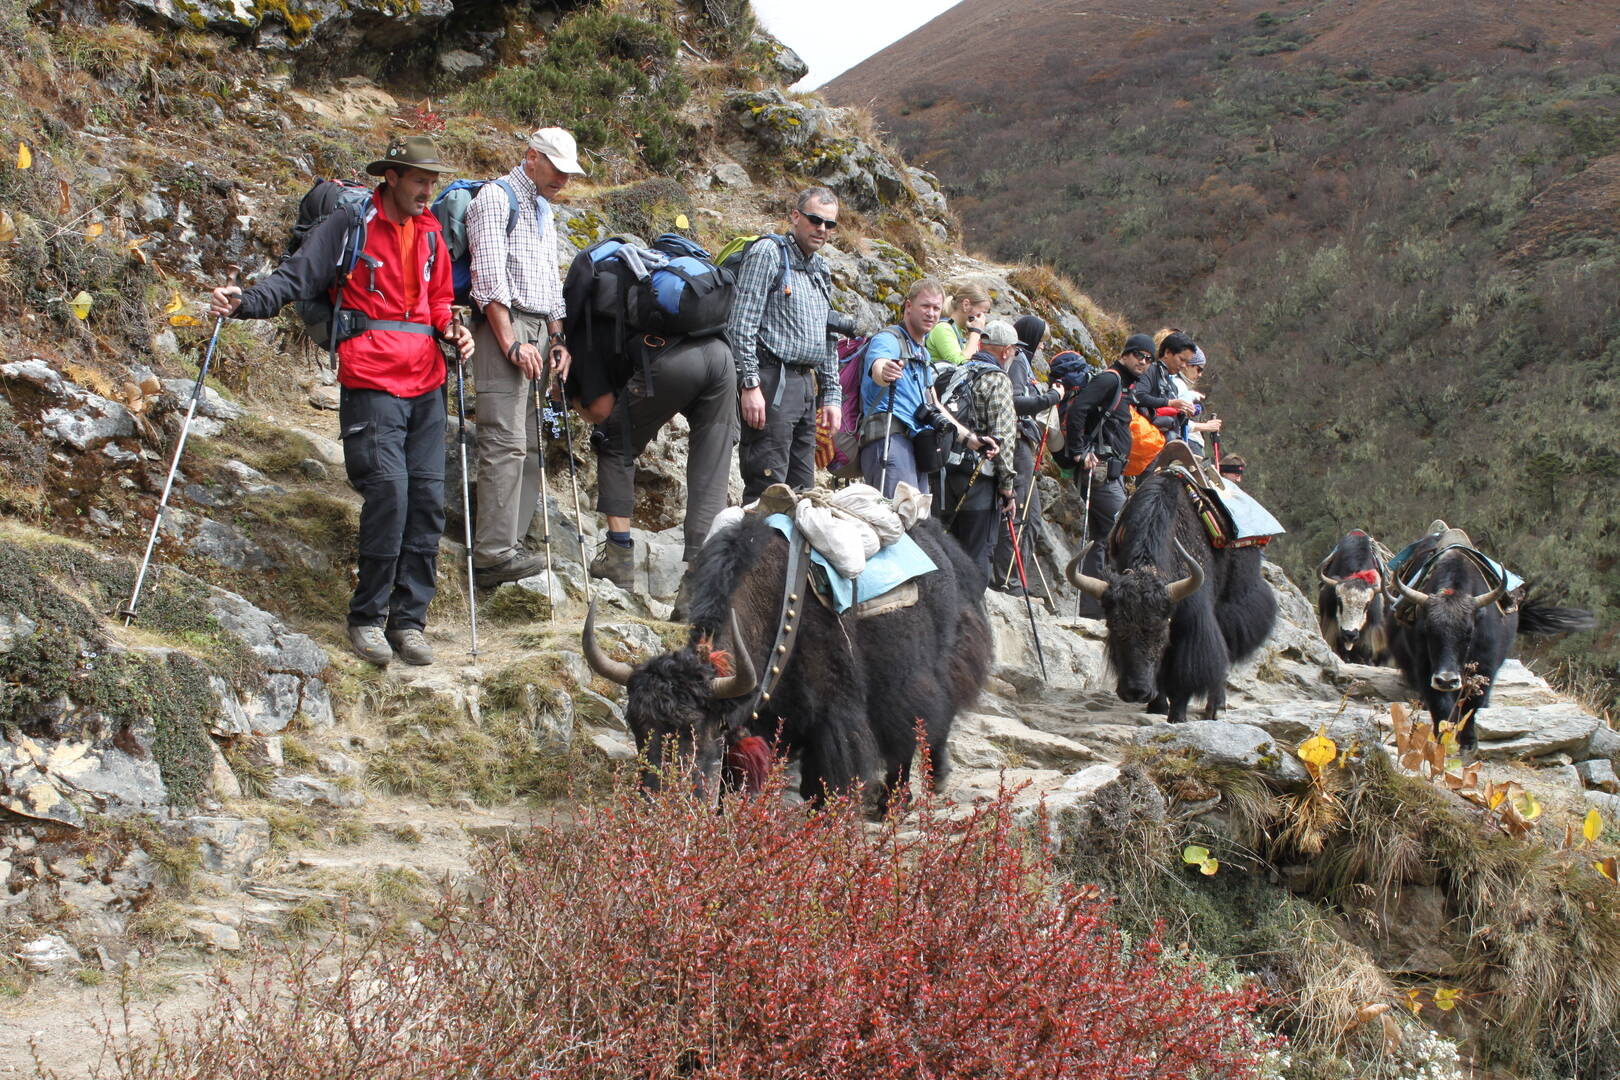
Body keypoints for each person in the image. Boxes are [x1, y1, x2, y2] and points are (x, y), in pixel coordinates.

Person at [209, 136, 474, 666]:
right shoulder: (349, 226)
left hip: (427, 382)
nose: (428, 191)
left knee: (426, 503)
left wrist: (452, 328)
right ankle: (367, 619)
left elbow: (441, 299)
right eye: (418, 180)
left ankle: (409, 623)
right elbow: (294, 277)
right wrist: (242, 303)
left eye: (432, 181)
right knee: (391, 496)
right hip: (372, 379)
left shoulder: (431, 235)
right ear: (391, 177)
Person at [465, 126, 584, 587]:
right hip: (506, 327)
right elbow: (488, 281)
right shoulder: (495, 199)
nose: (562, 179)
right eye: (555, 168)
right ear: (531, 156)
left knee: (533, 441)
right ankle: (493, 554)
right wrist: (511, 342)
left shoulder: (540, 208)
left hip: (538, 328)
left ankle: (510, 546)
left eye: (567, 172)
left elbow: (551, 285)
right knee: (504, 440)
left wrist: (558, 339)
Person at [589, 336, 740, 619]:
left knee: (614, 441)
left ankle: (618, 562)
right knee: (711, 470)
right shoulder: (710, 296)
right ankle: (693, 595)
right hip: (723, 359)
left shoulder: (640, 290)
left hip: (665, 351)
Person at [729, 187, 842, 501]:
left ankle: (787, 551)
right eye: (815, 219)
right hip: (771, 382)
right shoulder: (768, 252)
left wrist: (831, 395)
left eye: (829, 224)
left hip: (806, 387)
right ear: (796, 217)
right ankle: (755, 549)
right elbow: (742, 322)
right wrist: (749, 384)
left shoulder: (820, 268)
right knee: (767, 491)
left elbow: (828, 333)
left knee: (803, 494)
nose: (822, 229)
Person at [1062, 333, 1154, 592]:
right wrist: (1079, 451)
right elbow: (1078, 410)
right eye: (1139, 355)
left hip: (1111, 473)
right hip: (1099, 471)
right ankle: (1108, 597)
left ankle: (1096, 604)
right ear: (1125, 354)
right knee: (1123, 531)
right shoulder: (1109, 379)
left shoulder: (1124, 386)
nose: (1144, 362)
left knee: (1102, 538)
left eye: (1149, 359)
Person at [937, 320, 1019, 586]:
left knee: (943, 550)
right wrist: (1008, 487)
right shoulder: (997, 380)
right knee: (974, 557)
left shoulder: (960, 370)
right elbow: (1003, 439)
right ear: (1006, 351)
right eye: (1015, 351)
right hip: (978, 482)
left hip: (942, 475)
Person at [991, 315, 1062, 595]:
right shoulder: (1019, 360)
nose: (1043, 348)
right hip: (1018, 442)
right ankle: (1008, 579)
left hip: (1024, 444)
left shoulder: (1023, 361)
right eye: (1042, 341)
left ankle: (1013, 578)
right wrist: (1051, 398)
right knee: (1022, 514)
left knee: (1028, 515)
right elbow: (1016, 402)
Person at [859, 278, 944, 498]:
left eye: (936, 308)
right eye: (925, 306)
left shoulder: (923, 354)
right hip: (889, 442)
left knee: (917, 524)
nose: (931, 313)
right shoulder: (888, 339)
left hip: (916, 446)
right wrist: (885, 372)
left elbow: (935, 404)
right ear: (908, 306)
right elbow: (879, 366)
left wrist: (971, 440)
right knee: (894, 522)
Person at [924, 280, 990, 367]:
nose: (982, 320)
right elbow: (962, 364)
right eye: (980, 314)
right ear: (966, 305)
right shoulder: (943, 329)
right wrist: (976, 332)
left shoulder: (961, 331)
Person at [1172, 345, 1222, 456]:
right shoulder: (1178, 384)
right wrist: (1207, 427)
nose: (1200, 374)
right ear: (1187, 366)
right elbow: (1178, 421)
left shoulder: (1180, 385)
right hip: (1187, 444)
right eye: (1198, 369)